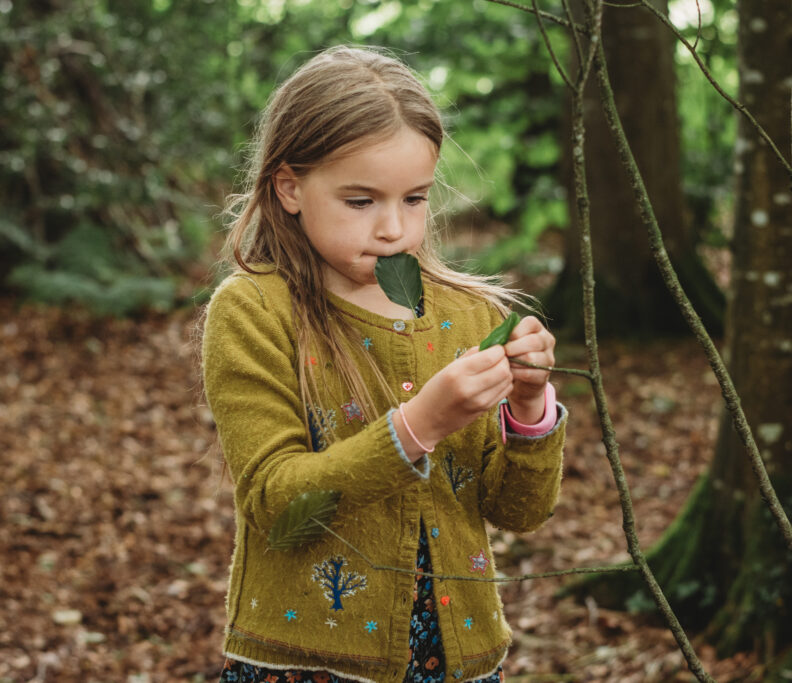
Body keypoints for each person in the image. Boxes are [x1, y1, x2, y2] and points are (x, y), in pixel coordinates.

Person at [202, 45, 568, 683]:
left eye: (416, 199)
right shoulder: (255, 311)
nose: (394, 229)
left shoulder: (470, 315)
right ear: (289, 187)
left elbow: (519, 512)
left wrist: (529, 408)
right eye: (360, 201)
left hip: (459, 658)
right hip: (305, 661)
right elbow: (278, 509)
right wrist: (419, 424)